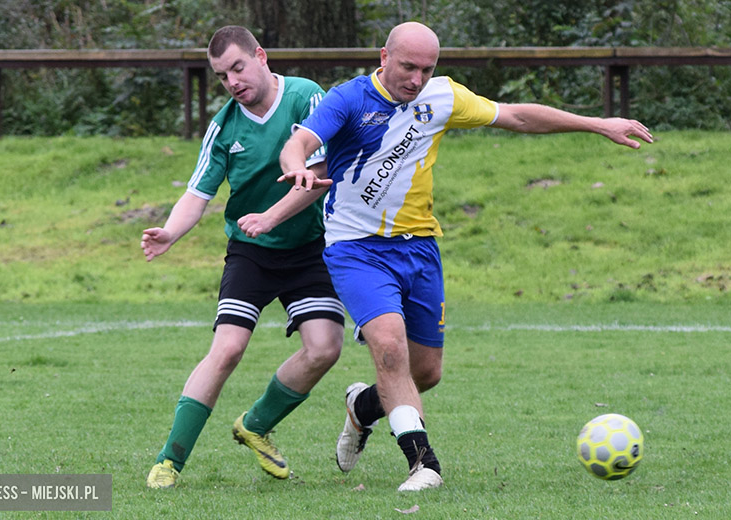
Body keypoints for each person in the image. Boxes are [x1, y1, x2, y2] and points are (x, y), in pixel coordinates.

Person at [275, 21, 653, 492]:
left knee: (424, 373)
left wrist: (598, 124)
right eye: (408, 66)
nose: (416, 79)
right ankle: (424, 464)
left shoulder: (442, 97)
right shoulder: (349, 99)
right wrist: (297, 172)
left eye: (426, 68)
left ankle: (363, 407)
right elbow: (300, 144)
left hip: (420, 249)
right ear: (383, 57)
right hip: (356, 249)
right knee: (390, 349)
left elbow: (516, 116)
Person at [142, 25, 345, 489]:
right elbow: (198, 193)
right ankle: (169, 461)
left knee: (325, 348)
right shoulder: (224, 126)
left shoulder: (304, 98)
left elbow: (320, 171)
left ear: (261, 56)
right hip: (251, 252)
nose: (232, 81)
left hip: (309, 248)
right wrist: (170, 232)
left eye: (237, 67)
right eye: (221, 75)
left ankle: (254, 424)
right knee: (228, 348)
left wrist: (272, 216)